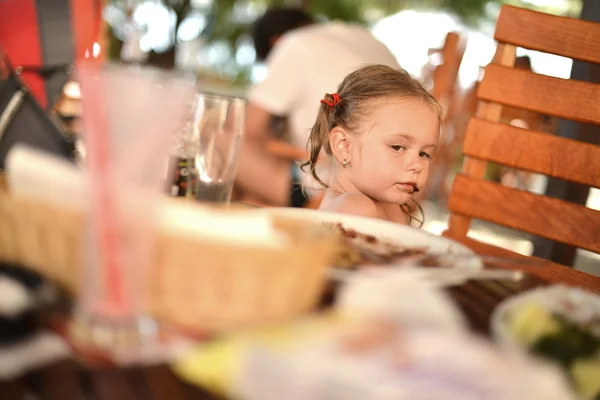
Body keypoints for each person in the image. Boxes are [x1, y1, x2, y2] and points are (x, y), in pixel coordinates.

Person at [234, 7, 401, 208]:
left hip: (329, 194)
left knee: (225, 139)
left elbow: (245, 128)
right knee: (250, 198)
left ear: (275, 42)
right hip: (393, 194)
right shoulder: (367, 38)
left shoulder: (294, 43)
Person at [302, 65, 442, 225]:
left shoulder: (392, 209)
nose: (417, 166)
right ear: (344, 146)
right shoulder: (356, 209)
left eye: (424, 153)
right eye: (397, 147)